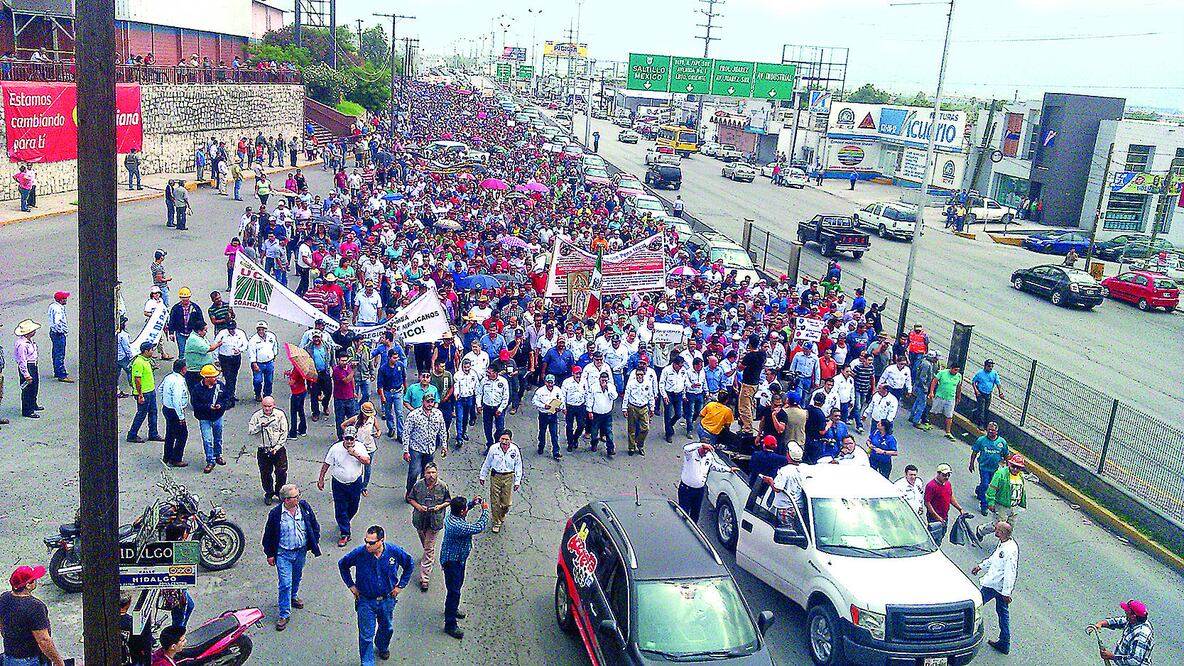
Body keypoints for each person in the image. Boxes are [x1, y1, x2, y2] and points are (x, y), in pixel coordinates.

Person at [337, 525, 414, 666]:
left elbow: (409, 564)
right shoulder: (360, 553)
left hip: (387, 599)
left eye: (371, 542)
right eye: (366, 541)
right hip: (366, 600)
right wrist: (351, 586)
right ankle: (367, 662)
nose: (367, 545)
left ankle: (382, 646)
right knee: (366, 636)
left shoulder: (394, 551)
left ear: (381, 541)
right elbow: (343, 565)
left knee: (387, 628)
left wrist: (400, 586)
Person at [262, 484, 321, 631]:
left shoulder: (304, 507)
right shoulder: (276, 514)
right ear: (286, 500)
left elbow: (313, 524)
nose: (298, 498)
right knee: (285, 583)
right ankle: (284, 613)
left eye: (298, 495)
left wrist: (315, 540)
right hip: (283, 553)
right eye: (295, 497)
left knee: (296, 577)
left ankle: (293, 596)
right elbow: (268, 535)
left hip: (300, 551)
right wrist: (270, 554)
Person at [440, 495, 490, 639]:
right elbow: (479, 526)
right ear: (462, 512)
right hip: (452, 562)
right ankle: (450, 623)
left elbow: (464, 508)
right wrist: (485, 510)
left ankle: (452, 608)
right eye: (466, 508)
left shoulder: (451, 514)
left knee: (456, 587)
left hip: (458, 559)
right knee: (454, 591)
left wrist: (472, 503)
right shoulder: (458, 526)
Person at [0, 565, 66, 666]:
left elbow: (2, 625)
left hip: (9, 657)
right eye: (34, 579)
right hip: (30, 660)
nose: (36, 580)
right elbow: (44, 640)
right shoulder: (35, 607)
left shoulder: (4, 598)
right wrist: (58, 662)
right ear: (28, 585)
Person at [971, 521, 1018, 655]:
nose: (994, 531)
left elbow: (1011, 571)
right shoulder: (1003, 544)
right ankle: (1004, 642)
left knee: (975, 606)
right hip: (996, 585)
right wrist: (981, 566)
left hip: (996, 586)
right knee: (1003, 614)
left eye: (996, 529)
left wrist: (1006, 592)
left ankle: (964, 630)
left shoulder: (1009, 550)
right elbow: (994, 559)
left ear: (1001, 533)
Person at [319, 427, 370, 547]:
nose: (349, 442)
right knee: (340, 507)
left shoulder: (360, 447)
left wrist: (355, 454)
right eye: (347, 439)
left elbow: (367, 461)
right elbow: (326, 464)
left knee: (353, 507)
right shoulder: (335, 449)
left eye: (351, 439)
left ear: (355, 439)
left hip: (355, 483)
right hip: (339, 483)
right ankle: (345, 533)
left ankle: (344, 521)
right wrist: (321, 478)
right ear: (343, 438)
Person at [408, 462, 451, 591]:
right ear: (424, 474)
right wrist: (418, 507)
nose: (431, 475)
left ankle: (424, 578)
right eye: (428, 473)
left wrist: (440, 507)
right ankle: (428, 555)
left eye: (433, 472)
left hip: (435, 521)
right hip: (420, 520)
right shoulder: (418, 485)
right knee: (425, 543)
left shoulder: (443, 486)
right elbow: (410, 498)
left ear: (437, 473)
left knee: (429, 547)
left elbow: (448, 501)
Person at [678, 442, 738, 523]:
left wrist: (728, 469)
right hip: (686, 489)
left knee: (695, 515)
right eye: (704, 449)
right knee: (683, 514)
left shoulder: (709, 456)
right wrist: (701, 445)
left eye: (708, 449)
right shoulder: (690, 455)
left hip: (699, 491)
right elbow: (686, 448)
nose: (706, 451)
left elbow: (714, 466)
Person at [402, 394, 447, 497]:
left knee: (427, 473)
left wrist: (444, 445)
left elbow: (442, 430)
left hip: (430, 449)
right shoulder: (414, 415)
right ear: (423, 402)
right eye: (427, 402)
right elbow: (406, 433)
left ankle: (422, 492)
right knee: (414, 472)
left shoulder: (438, 414)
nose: (430, 404)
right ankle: (410, 492)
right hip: (416, 448)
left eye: (431, 402)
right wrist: (406, 451)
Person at [479, 429, 522, 533]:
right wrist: (482, 476)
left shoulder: (514, 450)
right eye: (502, 439)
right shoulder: (493, 449)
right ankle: (496, 522)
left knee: (506, 503)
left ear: (510, 440)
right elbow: (487, 462)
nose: (504, 442)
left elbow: (518, 465)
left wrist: (517, 481)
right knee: (495, 501)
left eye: (506, 439)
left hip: (508, 477)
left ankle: (502, 514)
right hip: (496, 477)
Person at [249, 396, 290, 504]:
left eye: (269, 406)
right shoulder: (256, 416)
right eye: (265, 406)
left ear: (274, 405)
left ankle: (279, 492)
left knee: (281, 472)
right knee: (265, 473)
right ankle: (269, 493)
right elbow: (251, 431)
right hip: (263, 449)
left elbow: (284, 432)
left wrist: (276, 448)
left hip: (278, 449)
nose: (267, 409)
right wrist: (259, 426)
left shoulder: (280, 415)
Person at [977, 454, 1028, 540]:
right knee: (998, 526)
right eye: (1013, 466)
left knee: (1009, 528)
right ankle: (981, 530)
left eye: (1018, 468)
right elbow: (992, 489)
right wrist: (990, 502)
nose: (1015, 469)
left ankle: (1004, 543)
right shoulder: (1000, 474)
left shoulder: (1020, 476)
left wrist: (1022, 503)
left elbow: (1022, 490)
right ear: (1009, 464)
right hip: (1001, 505)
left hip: (1014, 506)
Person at [1090, 600, 1154, 665]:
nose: (1125, 612)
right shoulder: (1133, 621)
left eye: (1127, 611)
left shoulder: (1141, 636)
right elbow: (1119, 622)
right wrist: (1101, 624)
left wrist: (1112, 657)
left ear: (1133, 616)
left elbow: (1135, 661)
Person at [191, 364, 227, 474]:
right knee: (207, 440)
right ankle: (210, 460)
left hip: (217, 416)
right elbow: (195, 404)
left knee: (218, 438)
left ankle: (218, 455)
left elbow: (226, 398)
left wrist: (221, 405)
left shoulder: (220, 386)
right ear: (206, 378)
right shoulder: (197, 389)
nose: (216, 378)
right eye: (213, 376)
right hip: (204, 418)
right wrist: (207, 407)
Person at [343, 401, 383, 496]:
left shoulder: (373, 419)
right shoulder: (356, 419)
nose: (368, 416)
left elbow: (379, 429)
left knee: (367, 468)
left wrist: (378, 434)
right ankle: (354, 484)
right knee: (355, 466)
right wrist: (349, 436)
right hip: (357, 447)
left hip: (369, 448)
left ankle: (364, 486)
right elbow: (343, 425)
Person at [969, 422, 1009, 515]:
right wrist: (971, 464)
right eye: (989, 429)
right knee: (986, 485)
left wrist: (1008, 468)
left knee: (988, 486)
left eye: (993, 430)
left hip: (994, 469)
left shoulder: (1002, 442)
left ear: (997, 431)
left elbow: (1007, 455)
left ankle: (979, 490)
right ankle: (984, 505)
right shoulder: (981, 440)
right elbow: (974, 452)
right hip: (984, 468)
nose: (990, 432)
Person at [127, 341, 162, 442]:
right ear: (145, 351)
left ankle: (153, 433)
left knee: (153, 412)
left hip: (150, 391)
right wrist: (140, 395)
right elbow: (137, 379)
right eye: (151, 349)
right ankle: (132, 434)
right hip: (144, 393)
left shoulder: (146, 360)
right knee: (141, 414)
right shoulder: (138, 362)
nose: (153, 351)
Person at [924, 463, 966, 546]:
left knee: (942, 535)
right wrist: (937, 517)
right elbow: (927, 503)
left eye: (948, 475)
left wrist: (959, 509)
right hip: (934, 518)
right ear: (938, 474)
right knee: (934, 538)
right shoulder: (931, 486)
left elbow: (950, 496)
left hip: (944, 517)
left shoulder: (948, 484)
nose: (946, 477)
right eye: (944, 475)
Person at [159, 358, 190, 467]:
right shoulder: (178, 381)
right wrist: (181, 416)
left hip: (167, 408)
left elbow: (160, 389)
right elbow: (177, 400)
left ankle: (166, 456)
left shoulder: (169, 377)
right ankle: (176, 458)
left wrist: (165, 399)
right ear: (183, 369)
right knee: (183, 435)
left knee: (170, 434)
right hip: (174, 411)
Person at [623, 365, 656, 456]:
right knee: (632, 429)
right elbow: (626, 396)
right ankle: (631, 447)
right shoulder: (631, 383)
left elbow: (651, 396)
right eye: (637, 374)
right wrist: (624, 408)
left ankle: (640, 444)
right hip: (632, 407)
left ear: (644, 374)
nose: (639, 376)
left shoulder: (647, 383)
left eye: (641, 374)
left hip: (644, 407)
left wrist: (652, 408)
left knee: (645, 428)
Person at [213, 320, 247, 408]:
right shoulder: (222, 334)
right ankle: (228, 398)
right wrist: (216, 359)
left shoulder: (240, 333)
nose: (231, 331)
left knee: (234, 377)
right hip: (225, 358)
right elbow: (216, 346)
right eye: (230, 329)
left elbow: (246, 344)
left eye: (233, 329)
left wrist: (240, 349)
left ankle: (231, 394)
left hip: (236, 358)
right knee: (228, 378)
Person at [585, 370, 618, 456]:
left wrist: (607, 389)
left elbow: (614, 396)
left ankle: (610, 448)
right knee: (594, 431)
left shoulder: (611, 387)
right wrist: (590, 411)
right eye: (602, 380)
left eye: (605, 380)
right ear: (599, 379)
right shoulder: (594, 387)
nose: (604, 382)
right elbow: (590, 399)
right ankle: (594, 444)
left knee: (609, 431)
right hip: (596, 414)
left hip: (607, 414)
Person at [477, 364, 510, 450]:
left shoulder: (503, 381)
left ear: (495, 373)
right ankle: (490, 445)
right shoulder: (484, 381)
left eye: (489, 372)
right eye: (487, 372)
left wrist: (500, 409)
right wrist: (479, 405)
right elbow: (479, 393)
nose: (487, 374)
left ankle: (497, 444)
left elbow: (506, 397)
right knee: (487, 428)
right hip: (487, 408)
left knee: (500, 428)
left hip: (498, 408)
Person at [532, 374, 563, 458]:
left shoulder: (558, 390)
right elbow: (534, 401)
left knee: (554, 433)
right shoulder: (540, 391)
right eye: (548, 382)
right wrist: (543, 406)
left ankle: (556, 451)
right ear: (545, 382)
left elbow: (562, 401)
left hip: (553, 415)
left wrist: (559, 408)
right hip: (543, 414)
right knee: (542, 432)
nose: (550, 384)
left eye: (551, 382)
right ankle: (541, 446)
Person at [929, 362, 962, 440]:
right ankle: (929, 424)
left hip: (950, 398)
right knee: (934, 412)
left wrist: (958, 397)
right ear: (951, 368)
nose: (956, 372)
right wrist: (931, 392)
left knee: (949, 415)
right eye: (955, 370)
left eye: (957, 370)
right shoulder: (942, 373)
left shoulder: (959, 376)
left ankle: (948, 432)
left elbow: (959, 387)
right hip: (940, 396)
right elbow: (934, 381)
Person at [248, 321, 279, 401]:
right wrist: (254, 364)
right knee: (258, 381)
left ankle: (267, 395)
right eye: (259, 330)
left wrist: (274, 354)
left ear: (266, 329)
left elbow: (275, 345)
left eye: (263, 329)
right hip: (258, 363)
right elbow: (251, 353)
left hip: (269, 362)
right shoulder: (253, 340)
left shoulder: (271, 336)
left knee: (269, 380)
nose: (261, 331)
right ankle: (257, 394)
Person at [46, 291, 72, 382]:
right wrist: (61, 330)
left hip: (53, 332)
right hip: (58, 334)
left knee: (55, 352)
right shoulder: (58, 310)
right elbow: (57, 322)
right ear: (61, 300)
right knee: (60, 354)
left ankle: (57, 371)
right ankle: (62, 374)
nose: (66, 300)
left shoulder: (52, 306)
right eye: (65, 298)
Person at [971, 359, 1004, 428]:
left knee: (985, 408)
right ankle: (981, 424)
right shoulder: (980, 373)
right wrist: (976, 391)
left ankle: (974, 414)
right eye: (989, 366)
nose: (990, 368)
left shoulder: (994, 373)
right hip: (981, 393)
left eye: (992, 366)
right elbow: (973, 382)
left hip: (988, 393)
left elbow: (998, 383)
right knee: (982, 408)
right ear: (985, 366)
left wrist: (1000, 392)